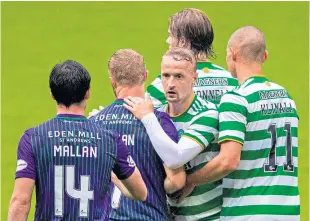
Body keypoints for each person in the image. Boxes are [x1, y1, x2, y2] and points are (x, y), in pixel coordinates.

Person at [181, 26, 300, 221]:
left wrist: (190, 181)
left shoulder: (237, 98)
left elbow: (228, 161)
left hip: (247, 214)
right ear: (265, 56)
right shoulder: (287, 98)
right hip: (288, 213)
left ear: (232, 54)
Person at [8, 60, 147, 221]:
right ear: (87, 93)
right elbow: (140, 192)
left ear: (52, 94)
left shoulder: (33, 138)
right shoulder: (110, 139)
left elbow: (21, 201)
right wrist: (112, 175)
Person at [124, 47, 221, 220]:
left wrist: (147, 118)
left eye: (179, 76)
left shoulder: (206, 113)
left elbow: (175, 157)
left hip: (206, 216)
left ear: (194, 78)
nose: (170, 84)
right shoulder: (158, 115)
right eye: (165, 75)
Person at [90, 49, 186, 221]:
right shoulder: (159, 122)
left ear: (112, 81)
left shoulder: (94, 124)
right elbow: (176, 182)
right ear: (145, 76)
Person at [146, 8, 238, 107]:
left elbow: (145, 118)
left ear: (182, 42)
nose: (167, 40)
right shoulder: (232, 81)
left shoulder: (161, 86)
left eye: (171, 35)